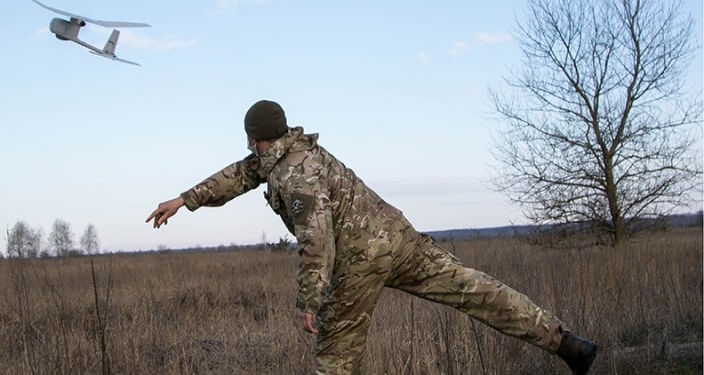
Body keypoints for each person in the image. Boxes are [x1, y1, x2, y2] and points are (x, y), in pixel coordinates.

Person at [146, 100, 598, 374]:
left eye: (250, 140)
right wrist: (185, 199)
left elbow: (317, 242)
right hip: (398, 239)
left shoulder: (294, 177)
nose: (248, 148)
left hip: (360, 260)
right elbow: (240, 176)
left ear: (260, 138)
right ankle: (567, 344)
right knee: (474, 289)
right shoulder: (294, 151)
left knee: (334, 356)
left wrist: (309, 300)